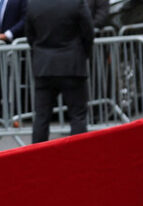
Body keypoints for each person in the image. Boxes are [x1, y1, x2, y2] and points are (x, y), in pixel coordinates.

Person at [26, 0, 94, 143]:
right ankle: (78, 155)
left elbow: (30, 36)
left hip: (44, 66)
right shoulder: (76, 3)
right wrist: (83, 54)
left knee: (41, 117)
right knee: (78, 115)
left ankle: (37, 157)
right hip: (72, 64)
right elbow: (88, 32)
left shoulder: (33, 4)